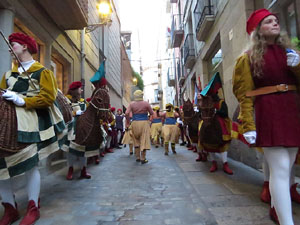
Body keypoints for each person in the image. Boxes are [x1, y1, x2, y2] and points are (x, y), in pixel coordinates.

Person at [232, 8, 300, 225]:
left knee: (287, 167)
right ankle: (287, 222)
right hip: (269, 111)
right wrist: (248, 124)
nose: (275, 23)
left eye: (276, 20)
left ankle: (275, 209)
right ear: (258, 30)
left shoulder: (290, 53)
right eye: (268, 21)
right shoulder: (248, 58)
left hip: (291, 111)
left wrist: (298, 66)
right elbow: (244, 94)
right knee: (280, 169)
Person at [0, 32, 66, 225]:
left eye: (14, 45)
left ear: (25, 46)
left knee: (30, 165)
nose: (11, 48)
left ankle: (32, 207)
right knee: (1, 166)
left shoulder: (42, 72)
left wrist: (22, 100)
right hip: (8, 122)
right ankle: (9, 208)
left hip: (30, 122)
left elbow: (48, 97)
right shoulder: (8, 75)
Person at [65, 81, 91, 180]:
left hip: (82, 128)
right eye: (80, 88)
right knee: (70, 150)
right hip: (71, 128)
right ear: (75, 90)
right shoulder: (67, 100)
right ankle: (70, 169)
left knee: (83, 149)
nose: (82, 90)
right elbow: (64, 112)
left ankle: (83, 169)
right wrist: (75, 113)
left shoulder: (83, 102)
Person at [125, 90, 153, 164]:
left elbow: (126, 113)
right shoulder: (146, 103)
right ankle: (143, 158)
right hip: (144, 123)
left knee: (136, 140)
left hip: (134, 123)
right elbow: (151, 113)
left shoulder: (131, 104)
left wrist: (128, 121)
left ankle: (137, 157)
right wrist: (149, 120)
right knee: (144, 140)